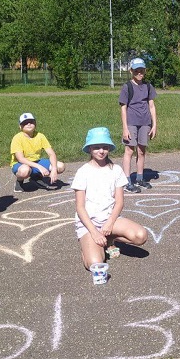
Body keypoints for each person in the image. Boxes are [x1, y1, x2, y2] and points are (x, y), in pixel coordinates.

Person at [71, 127, 148, 273]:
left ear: (109, 148)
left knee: (140, 236)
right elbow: (80, 207)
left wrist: (109, 223)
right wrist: (94, 232)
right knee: (95, 263)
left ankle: (110, 239)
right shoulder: (83, 172)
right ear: (89, 149)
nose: (101, 151)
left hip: (109, 220)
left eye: (105, 147)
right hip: (89, 223)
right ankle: (88, 246)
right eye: (96, 147)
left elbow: (119, 202)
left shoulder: (116, 170)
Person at [119, 57, 157, 194]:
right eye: (136, 71)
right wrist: (125, 128)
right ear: (131, 71)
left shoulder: (148, 86)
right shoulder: (127, 87)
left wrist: (154, 125)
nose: (139, 73)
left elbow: (151, 106)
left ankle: (140, 178)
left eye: (141, 70)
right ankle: (127, 180)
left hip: (145, 122)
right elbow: (123, 108)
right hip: (131, 122)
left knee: (141, 151)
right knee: (129, 150)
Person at [10, 112, 65, 192]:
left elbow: (51, 153)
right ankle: (19, 181)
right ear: (20, 126)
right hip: (20, 164)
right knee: (25, 171)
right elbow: (21, 159)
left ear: (35, 124)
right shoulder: (17, 138)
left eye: (31, 122)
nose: (28, 124)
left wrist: (54, 169)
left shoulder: (40, 136)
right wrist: (39, 167)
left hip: (36, 161)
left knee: (60, 166)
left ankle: (36, 177)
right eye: (25, 123)